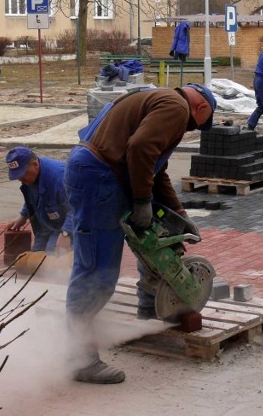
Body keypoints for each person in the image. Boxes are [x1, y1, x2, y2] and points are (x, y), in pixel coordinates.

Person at [64, 84, 216, 384]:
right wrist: (143, 201)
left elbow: (155, 170)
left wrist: (179, 215)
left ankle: (149, 308)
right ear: (200, 109)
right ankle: (79, 358)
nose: (189, 130)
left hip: (100, 173)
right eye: (196, 125)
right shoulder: (177, 107)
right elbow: (142, 148)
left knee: (147, 243)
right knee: (97, 271)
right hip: (100, 179)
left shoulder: (153, 96)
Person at [5, 147, 73, 253]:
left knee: (54, 254)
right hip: (48, 224)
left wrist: (66, 234)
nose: (20, 179)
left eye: (22, 175)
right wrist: (23, 216)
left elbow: (76, 210)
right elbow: (33, 198)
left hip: (75, 226)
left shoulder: (60, 180)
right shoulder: (31, 178)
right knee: (36, 254)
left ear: (35, 165)